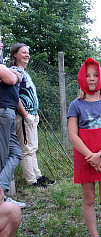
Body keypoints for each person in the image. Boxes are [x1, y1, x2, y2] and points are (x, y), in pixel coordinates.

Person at [67, 58, 101, 237]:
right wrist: (91, 156)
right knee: (88, 199)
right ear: (82, 77)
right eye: (87, 75)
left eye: (95, 75)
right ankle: (94, 234)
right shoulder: (76, 105)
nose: (91, 79)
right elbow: (73, 135)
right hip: (84, 158)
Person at [9, 43, 56, 189]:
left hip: (32, 115)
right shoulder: (14, 71)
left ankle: (38, 176)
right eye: (23, 52)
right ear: (15, 55)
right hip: (24, 117)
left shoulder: (25, 72)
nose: (27, 55)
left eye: (28, 52)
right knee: (27, 149)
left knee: (33, 147)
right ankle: (31, 181)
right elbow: (14, 95)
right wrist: (25, 115)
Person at [0, 38, 26, 208]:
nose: (1, 45)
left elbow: (17, 77)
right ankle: (1, 198)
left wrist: (14, 75)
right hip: (2, 111)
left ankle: (1, 192)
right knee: (2, 157)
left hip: (8, 111)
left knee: (16, 153)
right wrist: (13, 75)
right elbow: (11, 79)